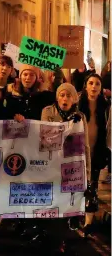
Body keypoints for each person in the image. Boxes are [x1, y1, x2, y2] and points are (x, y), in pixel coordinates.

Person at [41, 83, 92, 247]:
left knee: (65, 204)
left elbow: (85, 145)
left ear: (74, 99)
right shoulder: (47, 111)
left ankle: (60, 239)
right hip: (51, 164)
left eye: (69, 95)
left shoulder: (80, 116)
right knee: (51, 202)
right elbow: (46, 136)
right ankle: (48, 236)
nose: (65, 98)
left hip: (71, 166)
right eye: (62, 95)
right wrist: (67, 125)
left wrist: (87, 172)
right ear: (57, 97)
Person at [78, 74, 111, 228]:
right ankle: (76, 214)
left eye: (97, 84)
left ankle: (88, 221)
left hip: (96, 152)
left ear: (101, 87)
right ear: (86, 86)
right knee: (77, 185)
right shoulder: (77, 104)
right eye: (91, 83)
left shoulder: (105, 107)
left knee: (92, 186)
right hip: (78, 151)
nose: (94, 86)